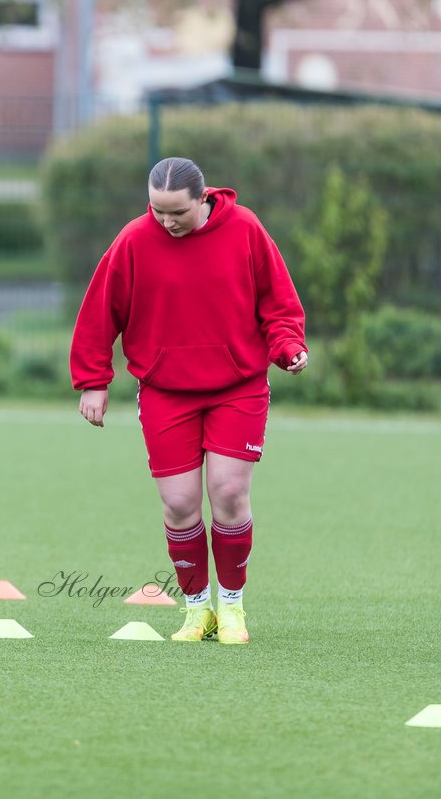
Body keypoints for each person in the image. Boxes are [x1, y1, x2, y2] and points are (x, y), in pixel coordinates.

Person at [70, 157, 308, 645]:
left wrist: (287, 346)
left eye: (176, 212)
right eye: (156, 211)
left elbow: (278, 301)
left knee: (228, 494)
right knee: (179, 504)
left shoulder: (244, 229)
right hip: (165, 390)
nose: (165, 222)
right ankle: (196, 610)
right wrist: (94, 380)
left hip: (238, 386)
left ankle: (233, 606)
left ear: (203, 200)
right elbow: (100, 311)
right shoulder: (135, 239)